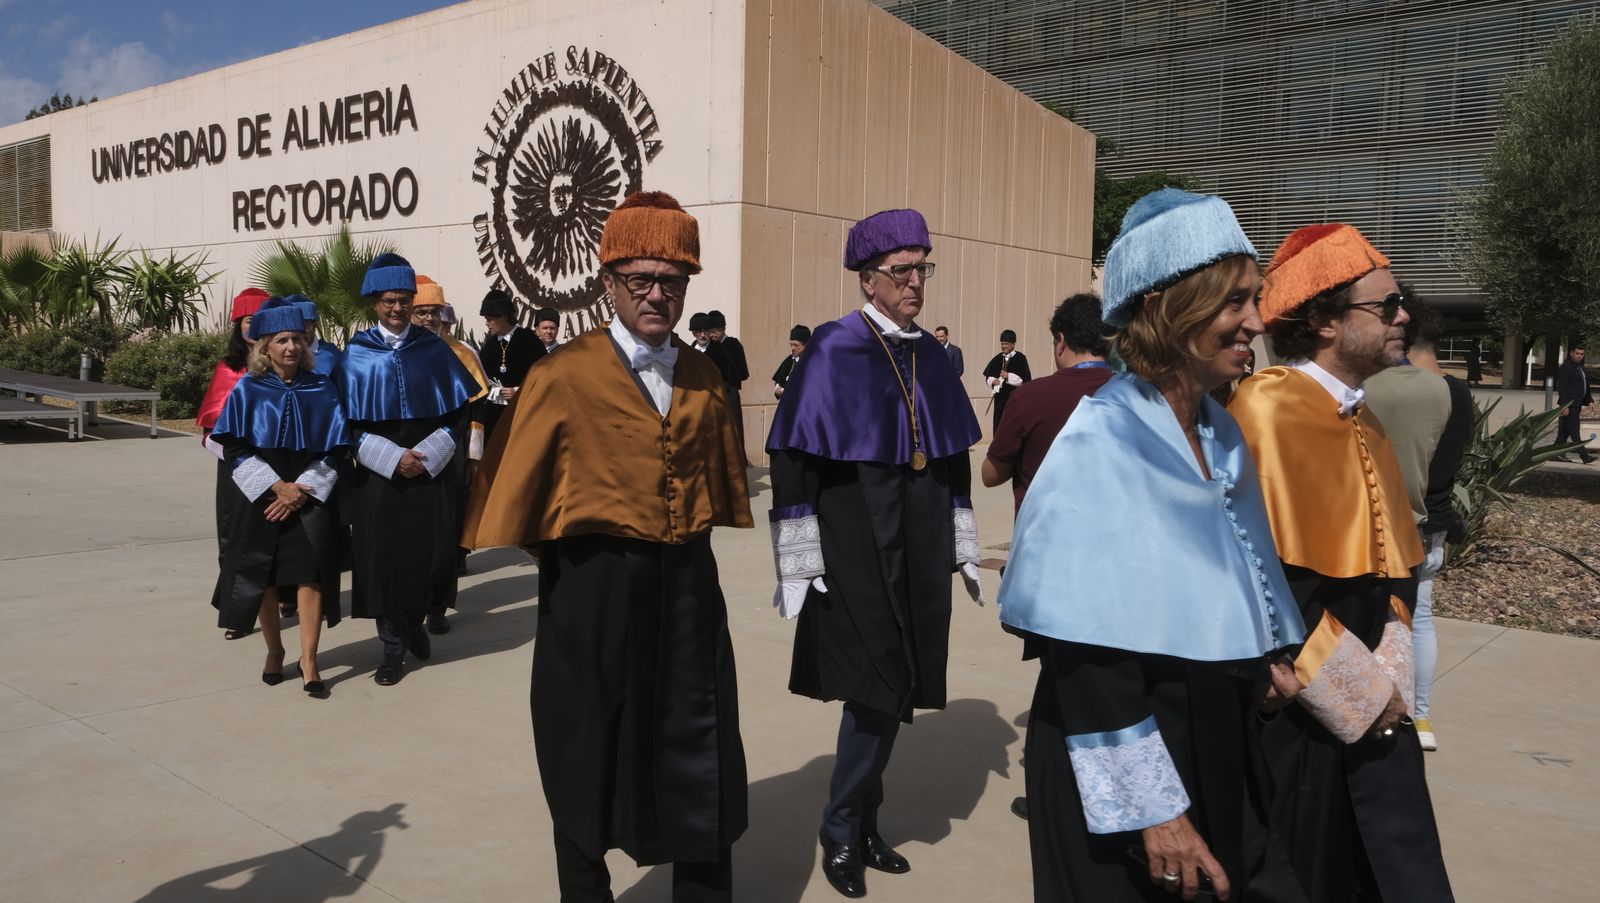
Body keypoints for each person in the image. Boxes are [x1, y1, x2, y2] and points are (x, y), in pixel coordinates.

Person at [997, 189, 1305, 903]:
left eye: (1254, 300)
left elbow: (1230, 588)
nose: (1256, 323)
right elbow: (1084, 656)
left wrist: (1264, 664)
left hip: (1209, 728)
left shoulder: (1220, 431)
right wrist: (1153, 808)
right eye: (1235, 303)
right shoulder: (1101, 437)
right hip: (1118, 739)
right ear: (1170, 307)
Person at [463, 191, 752, 903]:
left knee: (699, 745)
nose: (657, 295)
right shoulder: (560, 374)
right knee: (584, 748)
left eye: (672, 282)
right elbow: (520, 497)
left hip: (687, 586)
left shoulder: (706, 375)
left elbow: (719, 479)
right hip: (592, 587)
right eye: (641, 280)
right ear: (608, 281)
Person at [1230, 223, 1454, 902]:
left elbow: (1391, 560)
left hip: (1375, 700)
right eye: (1384, 306)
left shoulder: (1365, 416)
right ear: (1325, 320)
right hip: (1306, 711)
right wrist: (1360, 691)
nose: (1403, 316)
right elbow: (1268, 582)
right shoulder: (1266, 407)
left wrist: (1392, 654)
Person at [766, 207, 983, 899]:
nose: (917, 282)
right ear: (869, 280)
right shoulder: (834, 347)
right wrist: (799, 558)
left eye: (924, 267)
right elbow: (794, 458)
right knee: (873, 685)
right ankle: (839, 824)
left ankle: (863, 820)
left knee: (900, 684)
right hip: (855, 541)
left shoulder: (933, 354)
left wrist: (963, 542)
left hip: (918, 542)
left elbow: (950, 460)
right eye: (904, 271)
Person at [337, 254, 479, 686]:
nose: (396, 309)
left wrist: (426, 455)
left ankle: (416, 621)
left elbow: (456, 415)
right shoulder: (357, 352)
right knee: (382, 559)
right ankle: (392, 646)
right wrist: (391, 457)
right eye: (388, 302)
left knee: (429, 556)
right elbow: (346, 422)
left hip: (429, 470)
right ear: (374, 303)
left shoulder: (433, 348)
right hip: (379, 476)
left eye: (403, 300)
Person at [210, 297, 350, 698]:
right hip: (263, 495)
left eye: (297, 340)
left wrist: (300, 490)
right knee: (265, 577)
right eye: (281, 340)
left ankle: (310, 659)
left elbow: (337, 449)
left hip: (310, 493)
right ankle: (275, 651)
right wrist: (277, 488)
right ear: (264, 347)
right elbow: (233, 448)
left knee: (311, 575)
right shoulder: (248, 390)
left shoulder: (323, 388)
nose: (291, 347)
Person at [1362, 291, 1472, 751]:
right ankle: (1420, 717)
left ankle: (1372, 707)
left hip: (1381, 522)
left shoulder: (1373, 388)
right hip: (1433, 522)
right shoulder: (1456, 394)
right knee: (1420, 618)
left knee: (1370, 620)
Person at [982, 293, 1114, 514]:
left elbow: (990, 474)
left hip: (1043, 534)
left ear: (1060, 341)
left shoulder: (1029, 397)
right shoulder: (1140, 395)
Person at [412, 274, 492, 596]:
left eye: (435, 311)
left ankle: (439, 602)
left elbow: (477, 411)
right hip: (407, 452)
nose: (430, 318)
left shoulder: (461, 353)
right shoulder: (395, 355)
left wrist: (474, 457)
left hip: (453, 449)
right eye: (423, 311)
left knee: (448, 523)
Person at [199, 287, 269, 641]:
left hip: (279, 465)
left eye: (260, 320)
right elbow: (212, 427)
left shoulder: (282, 365)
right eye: (247, 321)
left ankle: (284, 596)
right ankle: (237, 614)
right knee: (236, 539)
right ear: (236, 325)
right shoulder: (229, 368)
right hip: (237, 465)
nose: (254, 327)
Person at [477, 289, 546, 438]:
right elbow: (481, 382)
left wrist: (518, 391)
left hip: (523, 415)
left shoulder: (529, 341)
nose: (487, 323)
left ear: (503, 317)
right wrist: (495, 392)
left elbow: (544, 377)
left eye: (490, 319)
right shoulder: (490, 346)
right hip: (495, 418)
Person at [705, 310, 750, 450]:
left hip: (729, 391)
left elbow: (742, 372)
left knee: (733, 426)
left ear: (723, 329)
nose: (713, 335)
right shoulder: (707, 346)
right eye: (710, 332)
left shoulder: (733, 344)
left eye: (716, 331)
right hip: (711, 392)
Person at [983, 329, 1032, 430]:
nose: (1004, 346)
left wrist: (1008, 376)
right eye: (1002, 343)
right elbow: (988, 375)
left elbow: (1025, 379)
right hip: (1000, 399)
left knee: (1012, 424)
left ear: (1013, 344)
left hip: (1014, 398)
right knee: (998, 423)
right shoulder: (997, 358)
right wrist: (992, 381)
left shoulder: (1020, 358)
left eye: (1006, 343)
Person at [1556, 343, 1594, 463]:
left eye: (1581, 354)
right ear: (1572, 353)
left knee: (1565, 431)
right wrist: (1564, 405)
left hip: (1577, 404)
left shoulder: (1580, 368)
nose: (1579, 356)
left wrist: (1590, 400)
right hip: (1569, 405)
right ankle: (1584, 456)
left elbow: (1585, 386)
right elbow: (1562, 388)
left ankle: (1555, 453)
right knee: (1574, 431)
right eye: (1577, 353)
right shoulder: (1566, 367)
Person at [293, 297, 343, 377]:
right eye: (295, 326)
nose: (300, 331)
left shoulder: (332, 356)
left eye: (305, 325)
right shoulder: (284, 357)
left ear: (314, 326)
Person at [772, 324, 810, 398]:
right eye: (791, 344)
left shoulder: (812, 362)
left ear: (806, 345)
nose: (792, 348)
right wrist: (777, 389)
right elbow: (779, 379)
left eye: (796, 345)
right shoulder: (789, 359)